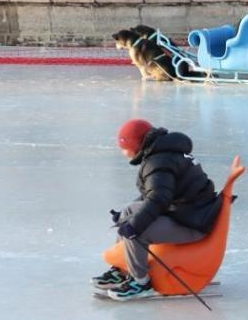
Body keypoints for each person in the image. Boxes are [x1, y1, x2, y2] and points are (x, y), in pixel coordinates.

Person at [91, 119, 222, 301]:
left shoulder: (158, 162)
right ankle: (122, 269)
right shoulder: (165, 154)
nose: (122, 152)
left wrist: (134, 226)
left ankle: (141, 282)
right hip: (189, 213)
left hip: (193, 223)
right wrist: (124, 216)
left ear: (136, 145)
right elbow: (154, 193)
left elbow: (159, 198)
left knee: (137, 230)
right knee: (129, 212)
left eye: (124, 146)